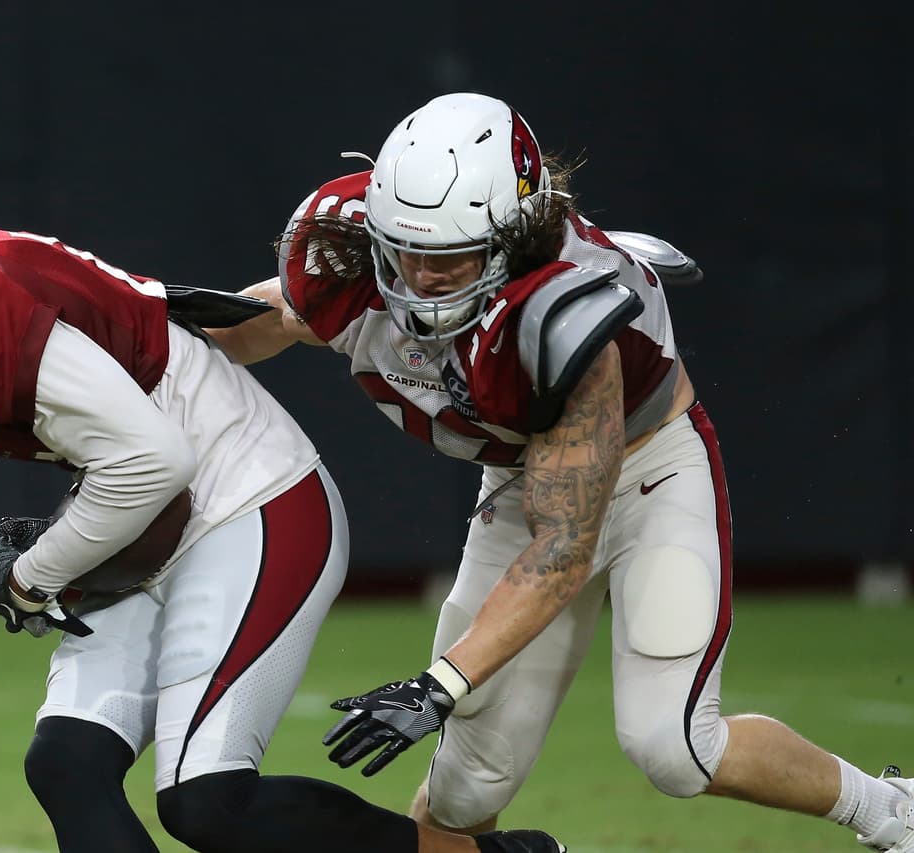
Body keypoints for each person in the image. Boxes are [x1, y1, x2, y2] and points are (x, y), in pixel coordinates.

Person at [0, 130, 566, 853]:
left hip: (253, 502)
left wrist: (33, 575)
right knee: (67, 765)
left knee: (205, 803)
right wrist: (63, 548)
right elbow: (132, 448)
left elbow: (152, 460)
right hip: (169, 520)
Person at [205, 92, 914, 852]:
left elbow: (561, 548)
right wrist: (154, 348)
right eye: (404, 250)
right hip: (522, 480)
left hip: (647, 473)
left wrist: (440, 684)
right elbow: (274, 319)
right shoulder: (356, 265)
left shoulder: (565, 319)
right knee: (467, 784)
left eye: (449, 257)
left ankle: (893, 811)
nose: (420, 276)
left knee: (676, 745)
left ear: (511, 239)